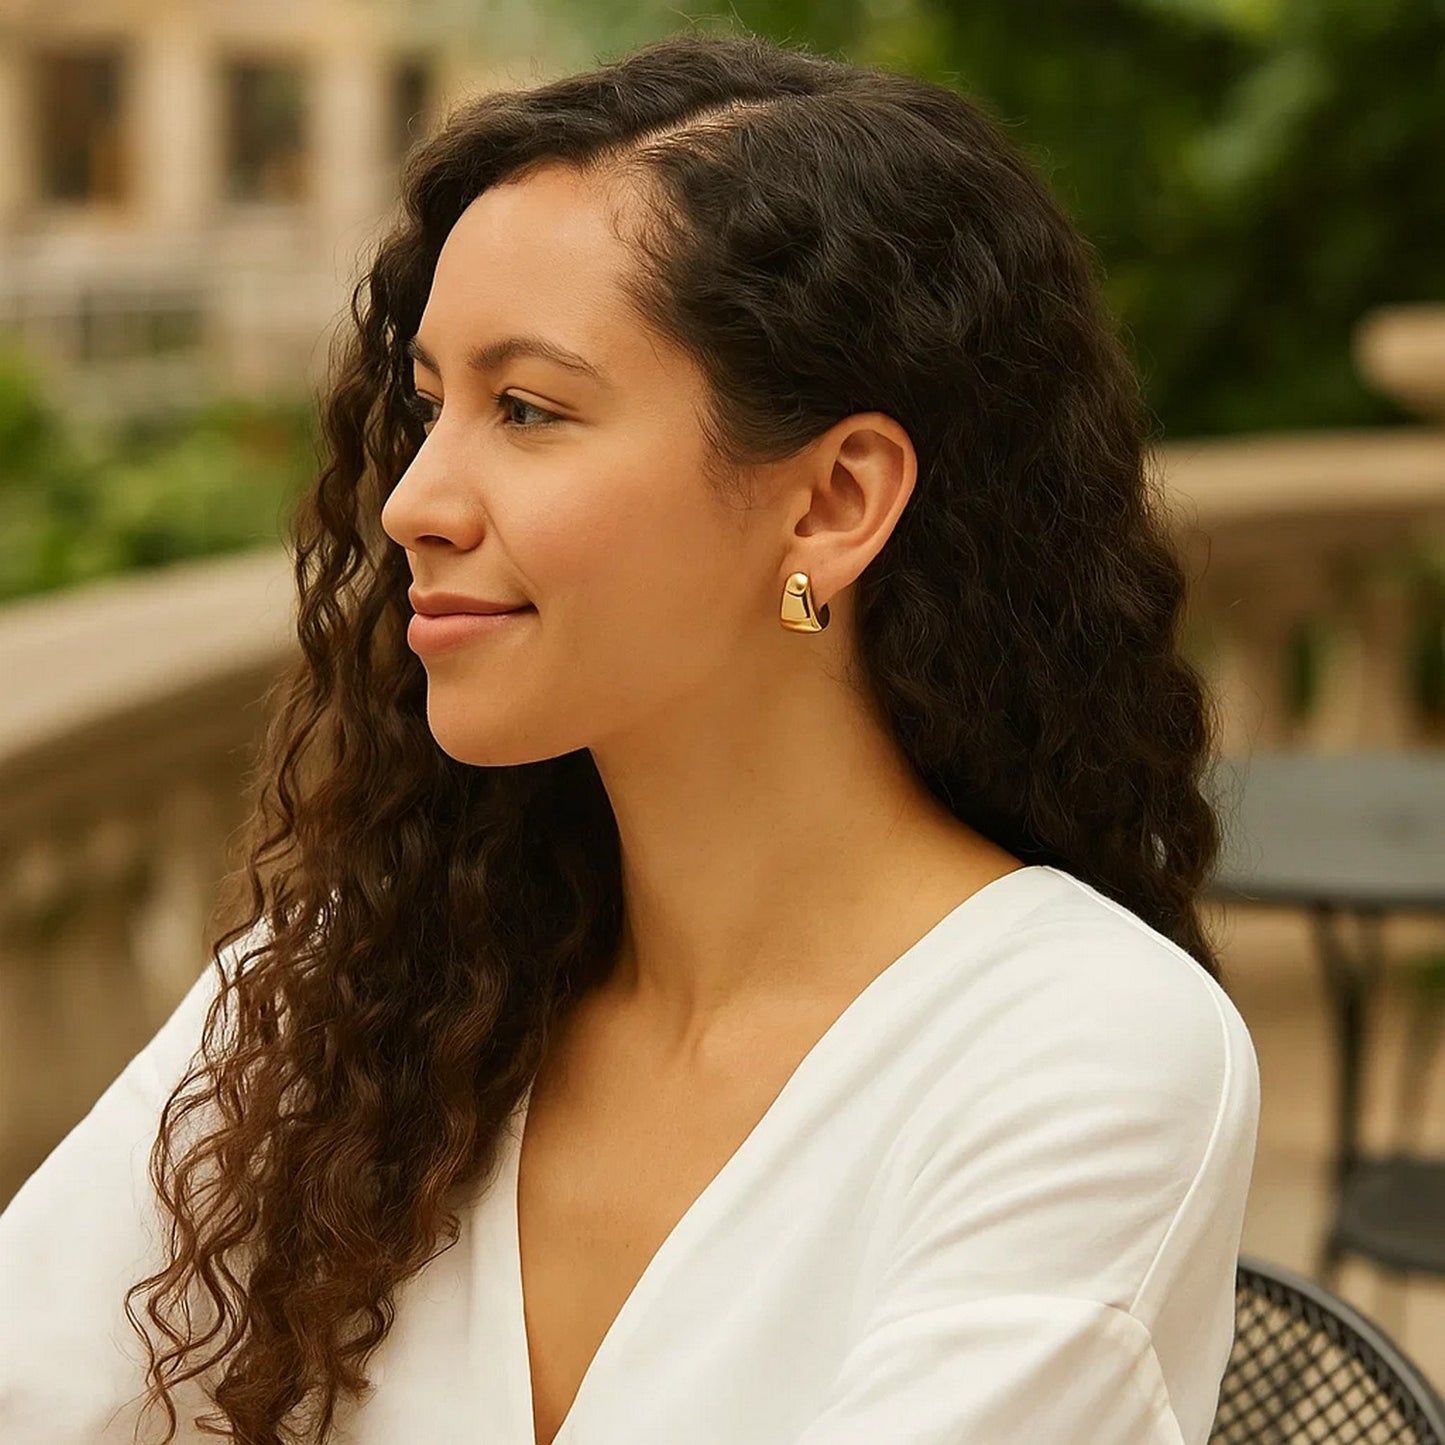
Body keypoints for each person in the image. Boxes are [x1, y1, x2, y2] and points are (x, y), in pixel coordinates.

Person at [0, 28, 1259, 1445]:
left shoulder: (1077, 1055)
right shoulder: (358, 985)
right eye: (429, 407)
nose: (413, 502)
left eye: (528, 410)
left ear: (834, 500)